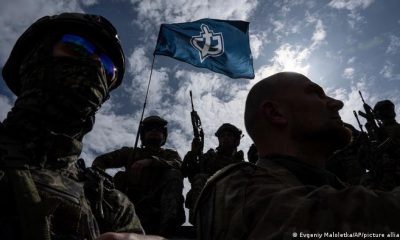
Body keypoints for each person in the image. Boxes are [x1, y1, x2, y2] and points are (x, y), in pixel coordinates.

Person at [196, 72, 400, 239]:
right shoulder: (240, 188)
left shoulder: (330, 184)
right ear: (276, 113)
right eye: (317, 94)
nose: (337, 103)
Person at [0, 13, 145, 239]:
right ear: (35, 56)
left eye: (108, 70)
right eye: (77, 47)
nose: (96, 65)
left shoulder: (108, 201)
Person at [92, 115, 185, 237]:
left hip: (161, 208)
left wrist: (151, 161)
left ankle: (167, 230)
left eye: (158, 130)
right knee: (118, 177)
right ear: (143, 135)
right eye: (150, 129)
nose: (154, 132)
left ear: (164, 136)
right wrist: (100, 181)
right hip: (132, 203)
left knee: (174, 174)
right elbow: (100, 161)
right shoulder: (130, 153)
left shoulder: (169, 154)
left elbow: (178, 165)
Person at [182, 123, 244, 224]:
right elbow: (190, 174)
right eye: (222, 136)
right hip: (209, 204)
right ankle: (201, 224)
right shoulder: (209, 157)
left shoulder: (240, 163)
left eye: (229, 135)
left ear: (236, 140)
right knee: (200, 178)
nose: (225, 138)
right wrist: (193, 153)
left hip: (232, 207)